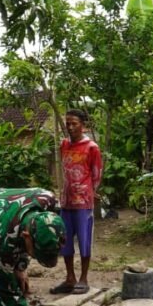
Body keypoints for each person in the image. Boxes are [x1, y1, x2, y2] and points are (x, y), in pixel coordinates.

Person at [51, 108, 103, 295]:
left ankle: (83, 278)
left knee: (84, 240)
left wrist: (89, 191)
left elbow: (96, 174)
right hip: (65, 201)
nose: (71, 127)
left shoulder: (92, 148)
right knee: (65, 241)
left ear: (83, 125)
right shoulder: (64, 145)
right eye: (68, 124)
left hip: (83, 202)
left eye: (74, 123)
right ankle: (70, 278)